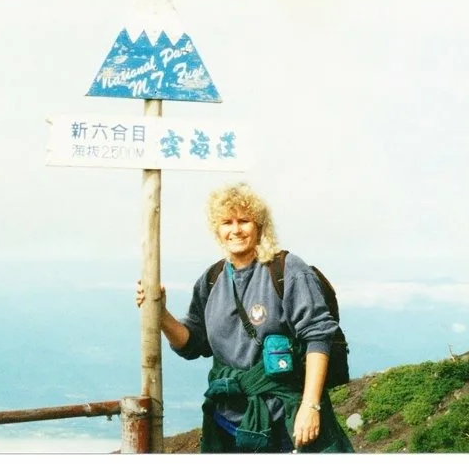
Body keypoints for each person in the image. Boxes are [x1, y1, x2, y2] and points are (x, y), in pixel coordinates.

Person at [135, 182, 353, 453]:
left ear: (259, 226)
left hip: (285, 420)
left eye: (244, 221)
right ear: (217, 229)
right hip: (227, 423)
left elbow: (318, 335)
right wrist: (160, 314)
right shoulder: (212, 279)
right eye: (227, 222)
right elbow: (192, 344)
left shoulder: (286, 270)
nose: (236, 229)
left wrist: (310, 406)